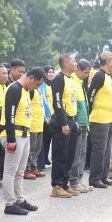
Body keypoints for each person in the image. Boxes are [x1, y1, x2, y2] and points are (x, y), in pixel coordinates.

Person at [0, 68, 45, 215]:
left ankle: (19, 200)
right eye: (37, 84)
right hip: (14, 134)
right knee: (10, 171)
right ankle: (9, 204)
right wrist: (11, 139)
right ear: (31, 78)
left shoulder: (27, 90)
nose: (37, 88)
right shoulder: (14, 89)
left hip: (24, 133)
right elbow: (9, 115)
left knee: (20, 171)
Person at [87, 51, 112, 188]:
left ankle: (103, 176)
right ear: (108, 61)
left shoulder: (108, 76)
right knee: (99, 150)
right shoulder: (99, 75)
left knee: (107, 149)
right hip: (100, 119)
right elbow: (90, 96)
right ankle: (95, 178)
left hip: (109, 117)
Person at [50, 53, 79, 197]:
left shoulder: (71, 78)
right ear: (66, 64)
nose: (76, 63)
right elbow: (57, 103)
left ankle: (64, 184)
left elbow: (71, 101)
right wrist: (63, 123)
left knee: (69, 155)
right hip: (63, 121)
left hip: (71, 120)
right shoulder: (59, 79)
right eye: (74, 61)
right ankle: (56, 186)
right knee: (60, 154)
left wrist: (75, 120)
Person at [69, 60, 91, 193]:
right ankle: (73, 180)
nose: (86, 75)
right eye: (85, 72)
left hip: (84, 122)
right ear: (78, 69)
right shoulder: (72, 81)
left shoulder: (81, 83)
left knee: (83, 151)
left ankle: (80, 177)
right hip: (77, 122)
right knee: (76, 153)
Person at [25, 69, 47, 180]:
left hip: (39, 123)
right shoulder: (31, 90)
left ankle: (34, 167)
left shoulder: (37, 90)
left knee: (37, 148)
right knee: (30, 148)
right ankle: (26, 168)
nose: (39, 85)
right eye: (38, 83)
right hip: (32, 124)